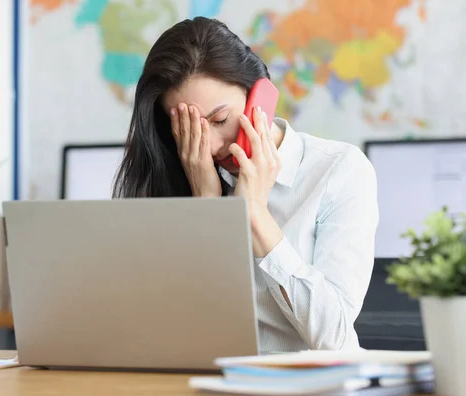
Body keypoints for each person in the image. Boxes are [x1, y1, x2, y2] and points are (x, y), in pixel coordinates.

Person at [112, 16, 379, 353]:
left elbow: (333, 335)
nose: (207, 147)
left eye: (219, 120)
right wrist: (208, 207)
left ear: (260, 96)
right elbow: (176, 332)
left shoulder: (338, 171)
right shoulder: (181, 174)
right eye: (188, 129)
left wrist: (253, 214)